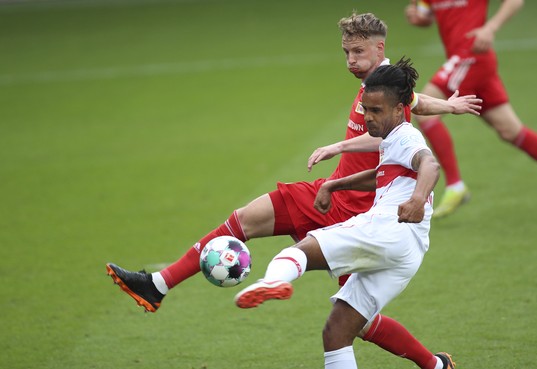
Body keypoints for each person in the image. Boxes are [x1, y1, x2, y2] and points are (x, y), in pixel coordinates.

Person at [106, 13, 473, 369]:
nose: (350, 60)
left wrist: (339, 146)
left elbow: (404, 138)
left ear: (380, 48)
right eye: (346, 52)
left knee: (353, 322)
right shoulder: (389, 87)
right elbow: (417, 102)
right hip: (334, 194)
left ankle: (429, 361)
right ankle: (158, 283)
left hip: (359, 210)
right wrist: (451, 106)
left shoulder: (386, 100)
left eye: (358, 52)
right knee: (249, 222)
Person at [235, 59, 449, 369]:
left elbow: (430, 164)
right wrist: (335, 185)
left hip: (389, 230)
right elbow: (381, 174)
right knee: (337, 332)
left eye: (376, 111)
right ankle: (439, 366)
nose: (368, 117)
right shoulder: (392, 141)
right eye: (365, 109)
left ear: (399, 109)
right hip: (408, 251)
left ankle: (272, 281)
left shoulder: (406, 137)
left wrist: (417, 200)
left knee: (301, 250)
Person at [405, 0, 537, 217]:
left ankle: (455, 186)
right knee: (510, 131)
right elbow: (425, 16)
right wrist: (418, 17)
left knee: (423, 110)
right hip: (469, 61)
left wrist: (490, 27)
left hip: (471, 55)